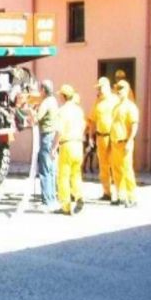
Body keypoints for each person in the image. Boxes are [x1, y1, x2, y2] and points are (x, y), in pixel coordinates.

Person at [53, 84, 86, 215]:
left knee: (63, 176)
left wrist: (54, 146)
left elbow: (59, 130)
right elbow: (84, 126)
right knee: (76, 173)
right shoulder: (79, 110)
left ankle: (65, 206)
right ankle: (79, 196)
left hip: (66, 144)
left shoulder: (62, 111)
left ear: (63, 96)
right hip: (78, 143)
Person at [87, 77, 119, 201]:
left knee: (115, 165)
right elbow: (93, 121)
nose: (99, 90)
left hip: (113, 137)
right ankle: (107, 192)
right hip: (101, 137)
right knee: (103, 166)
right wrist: (91, 136)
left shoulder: (115, 100)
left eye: (100, 88)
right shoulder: (98, 102)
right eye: (98, 88)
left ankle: (118, 193)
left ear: (106, 87)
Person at [109, 79, 139, 208]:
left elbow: (134, 125)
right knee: (116, 171)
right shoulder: (116, 106)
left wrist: (130, 140)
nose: (118, 91)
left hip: (125, 142)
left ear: (127, 90)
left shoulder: (131, 107)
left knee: (127, 170)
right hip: (115, 143)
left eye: (121, 88)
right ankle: (121, 196)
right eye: (117, 88)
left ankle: (132, 197)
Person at [33, 79, 59, 212]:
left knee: (44, 170)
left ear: (43, 90)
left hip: (46, 137)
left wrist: (30, 112)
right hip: (53, 136)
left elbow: (36, 118)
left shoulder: (45, 103)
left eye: (40, 89)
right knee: (52, 169)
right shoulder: (53, 101)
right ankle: (53, 198)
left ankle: (46, 201)